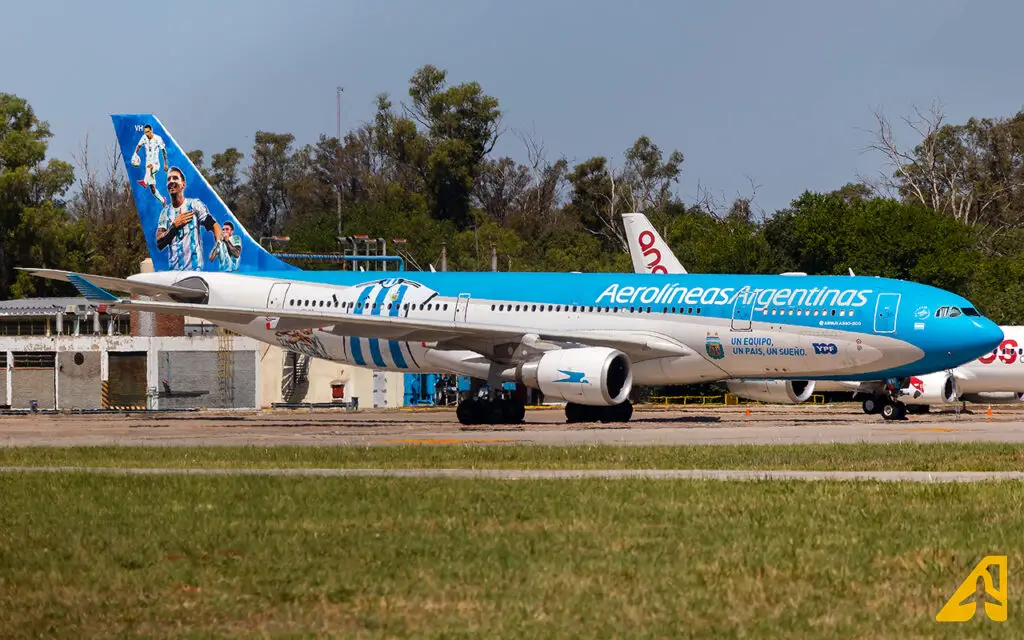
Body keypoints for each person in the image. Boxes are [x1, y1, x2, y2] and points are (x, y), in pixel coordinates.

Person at [156, 167, 221, 270]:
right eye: (169, 179)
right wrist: (174, 226)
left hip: (194, 272)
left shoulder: (194, 205)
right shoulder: (165, 212)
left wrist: (217, 247)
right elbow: (159, 243)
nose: (171, 181)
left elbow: (214, 225)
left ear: (183, 185)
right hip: (174, 274)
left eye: (175, 178)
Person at [132, 124, 168, 206]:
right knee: (152, 188)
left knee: (150, 167)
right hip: (148, 166)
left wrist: (165, 164)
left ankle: (144, 182)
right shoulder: (144, 137)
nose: (147, 134)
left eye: (148, 132)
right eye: (145, 132)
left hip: (155, 164)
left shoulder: (158, 139)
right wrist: (135, 154)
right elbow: (139, 146)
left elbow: (164, 151)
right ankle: (163, 200)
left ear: (151, 130)